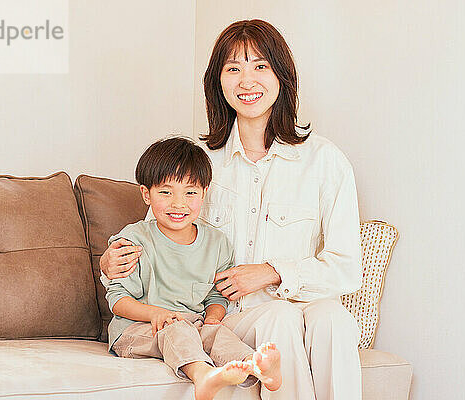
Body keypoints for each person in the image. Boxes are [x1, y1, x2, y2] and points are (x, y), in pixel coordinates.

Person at [101, 19, 362, 400]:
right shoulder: (200, 163)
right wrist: (113, 263)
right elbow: (158, 237)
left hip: (305, 301)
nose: (247, 81)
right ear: (218, 82)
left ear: (282, 76)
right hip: (228, 318)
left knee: (334, 319)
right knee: (280, 316)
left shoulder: (325, 161)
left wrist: (273, 273)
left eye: (260, 66)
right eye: (233, 69)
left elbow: (346, 268)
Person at [101, 136, 282, 400]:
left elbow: (215, 295)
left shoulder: (217, 243)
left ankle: (255, 366)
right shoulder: (134, 239)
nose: (178, 203)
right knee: (177, 328)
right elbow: (117, 300)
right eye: (166, 192)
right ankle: (202, 376)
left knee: (217, 332)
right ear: (146, 194)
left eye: (190, 192)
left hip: (190, 326)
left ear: (204, 194)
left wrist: (213, 317)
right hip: (134, 330)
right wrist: (157, 314)